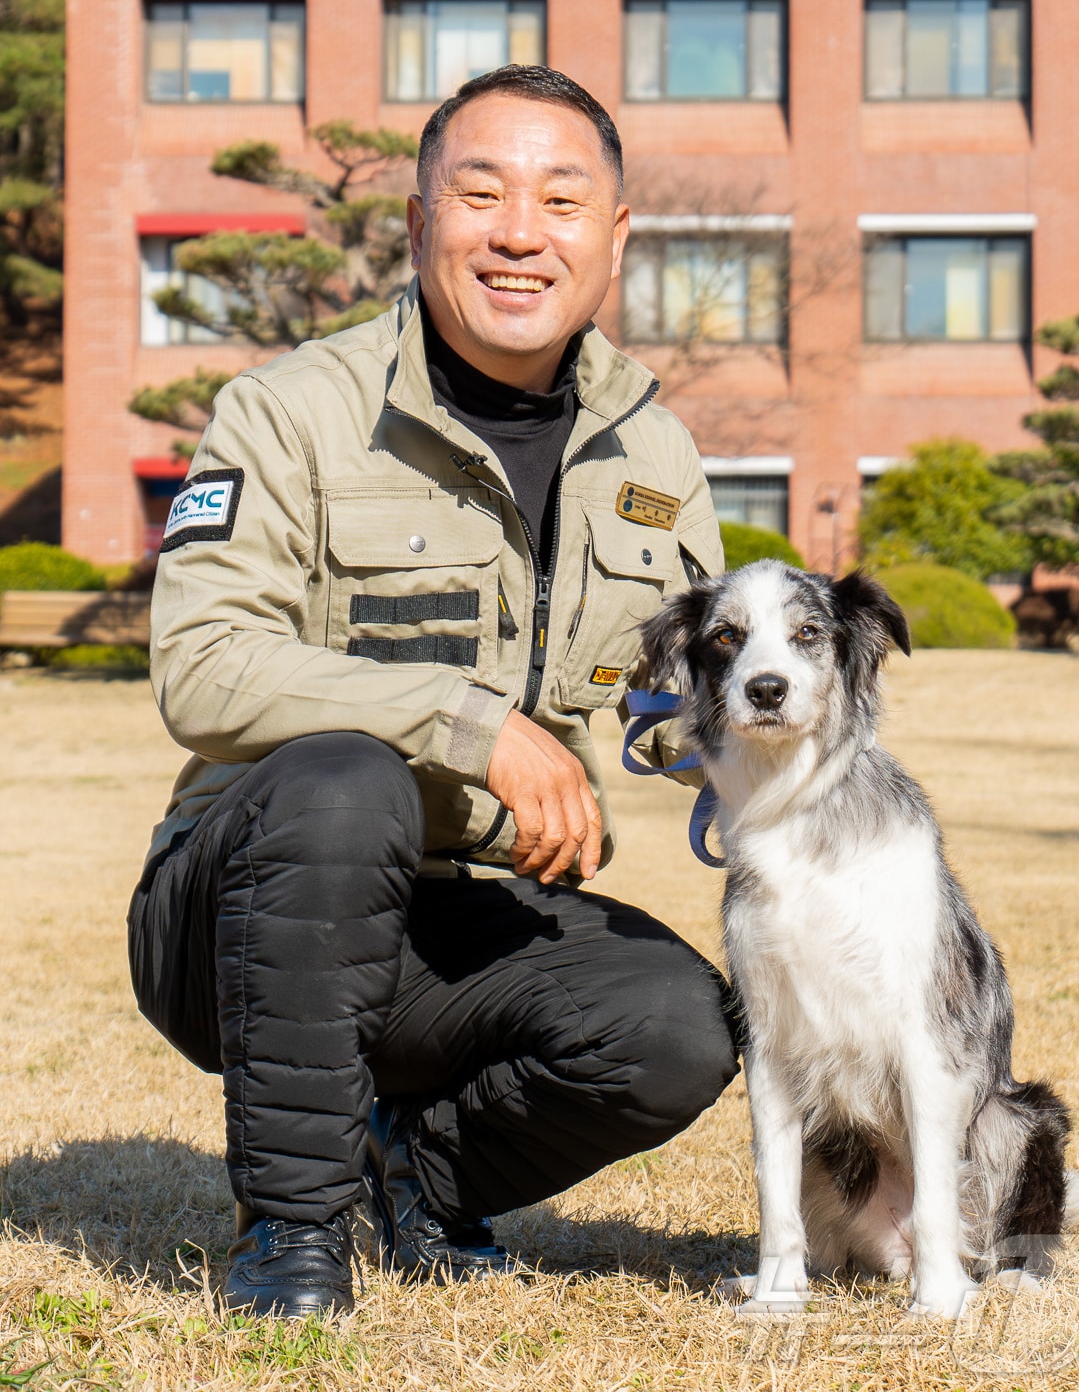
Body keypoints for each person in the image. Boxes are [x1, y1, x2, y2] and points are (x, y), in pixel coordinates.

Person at [128, 64, 739, 1319]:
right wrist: (469, 724)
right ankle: (292, 1237)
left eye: (562, 200)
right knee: (347, 779)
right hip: (248, 910)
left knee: (682, 1027)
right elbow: (201, 664)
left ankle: (416, 1173)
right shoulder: (288, 411)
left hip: (472, 923)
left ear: (612, 239)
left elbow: (677, 699)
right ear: (419, 224)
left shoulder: (657, 454)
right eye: (482, 193)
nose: (521, 231)